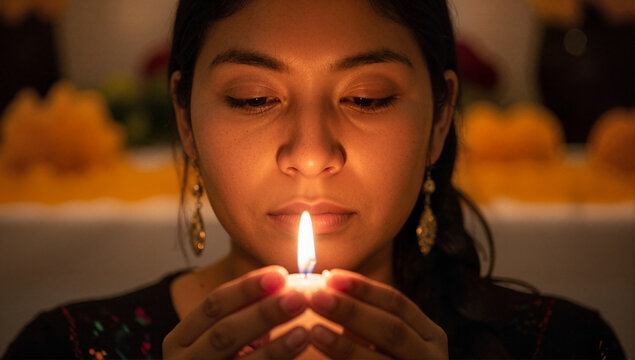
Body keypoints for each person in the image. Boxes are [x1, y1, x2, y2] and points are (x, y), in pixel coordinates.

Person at [3, 0, 625, 359]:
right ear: (186, 123)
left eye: (367, 98)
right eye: (252, 99)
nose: (310, 153)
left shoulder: (561, 348)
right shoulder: (62, 350)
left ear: (438, 120)